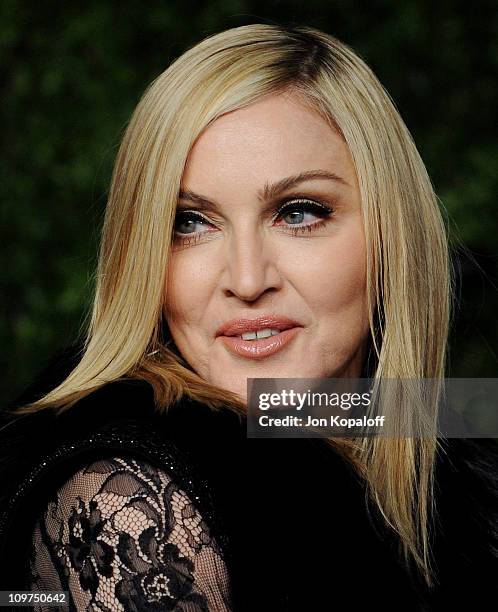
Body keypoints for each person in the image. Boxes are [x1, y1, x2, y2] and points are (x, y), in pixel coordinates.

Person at [0, 22, 497, 611]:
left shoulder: (441, 433)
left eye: (298, 212)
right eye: (189, 222)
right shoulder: (137, 502)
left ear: (393, 234)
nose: (246, 279)